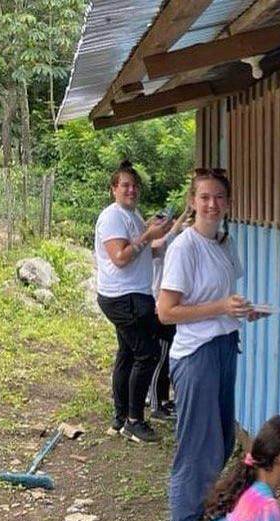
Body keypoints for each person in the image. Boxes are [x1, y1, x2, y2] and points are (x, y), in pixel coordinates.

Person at [157, 167, 268, 521]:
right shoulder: (185, 247)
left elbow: (223, 299)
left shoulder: (225, 243)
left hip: (224, 346)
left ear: (228, 202)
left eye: (219, 196)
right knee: (196, 450)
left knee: (221, 443)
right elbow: (166, 312)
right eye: (204, 197)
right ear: (192, 201)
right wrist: (221, 309)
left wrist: (243, 312)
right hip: (196, 355)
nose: (212, 204)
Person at [94, 160, 173, 443]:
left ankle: (121, 416)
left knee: (128, 353)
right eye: (125, 185)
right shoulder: (112, 217)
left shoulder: (133, 214)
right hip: (121, 296)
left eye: (134, 186)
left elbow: (140, 253)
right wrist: (148, 235)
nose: (131, 190)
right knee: (148, 353)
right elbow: (121, 257)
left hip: (133, 293)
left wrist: (158, 235)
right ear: (113, 188)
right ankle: (134, 421)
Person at [148, 207, 190, 420]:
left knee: (166, 357)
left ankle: (163, 400)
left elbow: (175, 232)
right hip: (158, 309)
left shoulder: (167, 247)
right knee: (160, 357)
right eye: (161, 223)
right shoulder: (154, 247)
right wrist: (184, 214)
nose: (167, 227)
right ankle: (155, 405)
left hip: (163, 307)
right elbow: (169, 235)